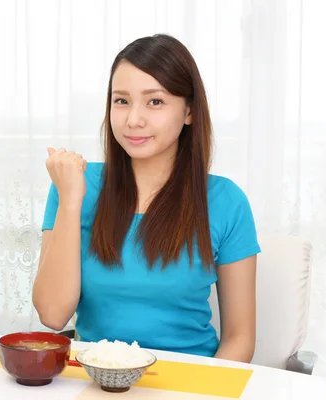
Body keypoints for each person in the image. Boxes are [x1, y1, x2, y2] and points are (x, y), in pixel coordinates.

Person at [32, 34, 260, 362]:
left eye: (155, 102)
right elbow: (53, 315)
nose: (133, 120)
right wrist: (71, 200)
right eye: (121, 101)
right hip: (99, 378)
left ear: (189, 112)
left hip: (189, 383)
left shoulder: (226, 201)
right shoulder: (75, 186)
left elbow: (240, 338)